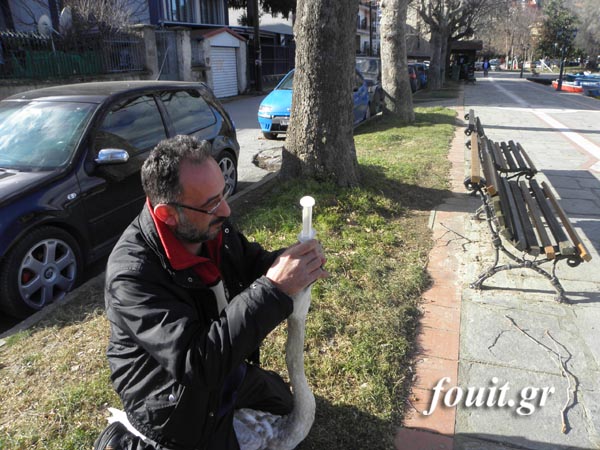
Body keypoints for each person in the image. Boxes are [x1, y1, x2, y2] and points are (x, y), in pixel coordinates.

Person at [94, 135, 328, 450]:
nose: (226, 209)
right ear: (168, 215)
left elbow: (251, 263)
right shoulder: (132, 276)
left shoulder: (212, 226)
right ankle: (131, 441)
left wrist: (288, 263)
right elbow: (196, 361)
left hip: (221, 367)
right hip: (171, 399)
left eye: (223, 194)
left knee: (283, 402)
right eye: (211, 203)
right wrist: (274, 288)